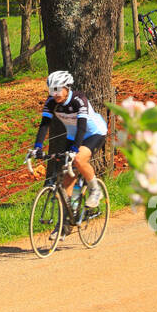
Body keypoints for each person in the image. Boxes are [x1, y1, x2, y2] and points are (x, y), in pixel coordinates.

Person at [32, 70, 106, 211]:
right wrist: (37, 147)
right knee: (67, 178)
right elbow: (44, 124)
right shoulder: (51, 102)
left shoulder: (79, 100)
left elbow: (82, 126)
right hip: (72, 137)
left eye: (59, 90)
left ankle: (95, 190)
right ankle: (68, 219)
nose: (56, 94)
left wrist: (75, 149)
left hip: (94, 133)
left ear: (67, 88)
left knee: (78, 159)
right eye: (52, 90)